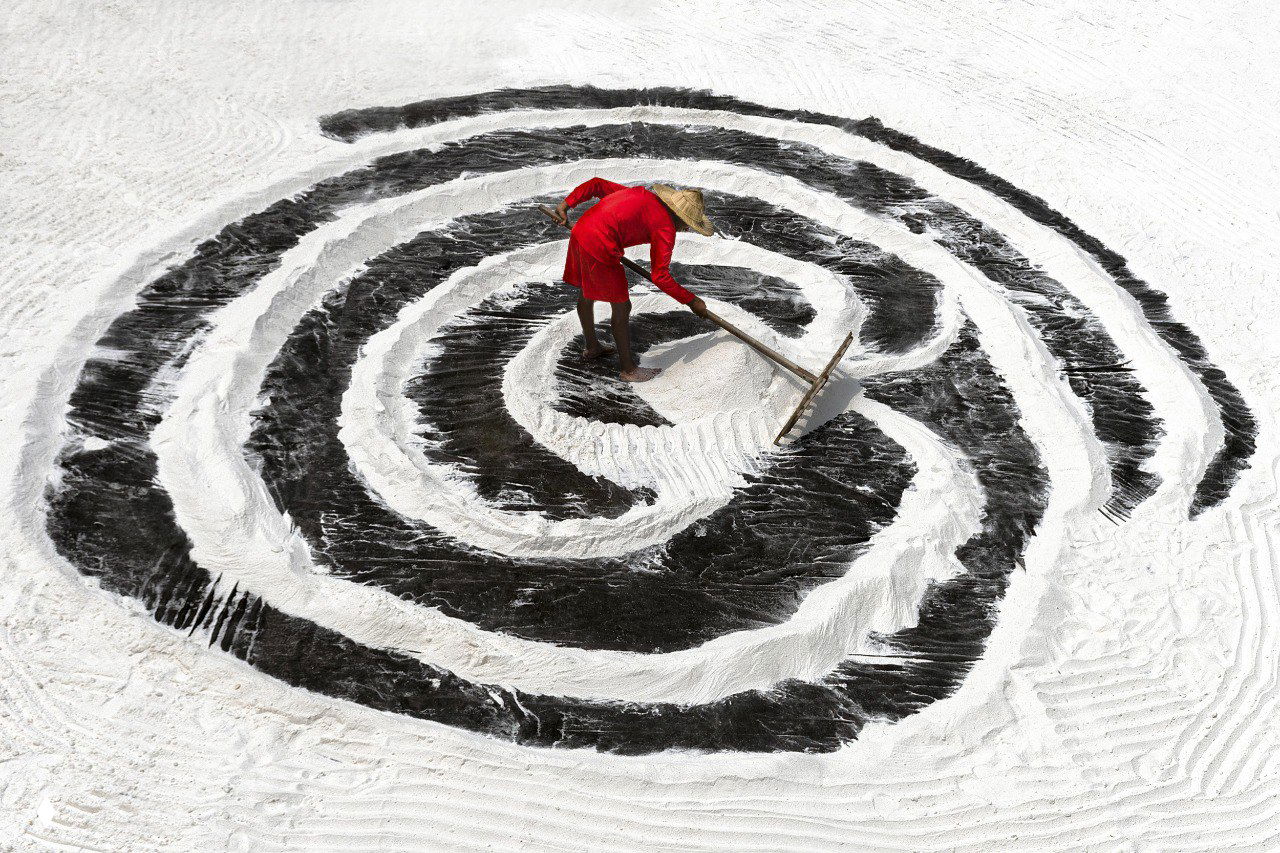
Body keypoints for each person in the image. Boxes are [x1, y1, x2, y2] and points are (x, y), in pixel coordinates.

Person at [550, 178, 714, 382]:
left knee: (587, 291)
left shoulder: (641, 194)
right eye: (688, 224)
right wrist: (691, 300)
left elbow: (596, 184)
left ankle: (592, 347)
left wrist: (566, 204)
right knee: (622, 306)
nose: (688, 229)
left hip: (581, 231)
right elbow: (660, 276)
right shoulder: (665, 228)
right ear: (679, 216)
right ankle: (628, 370)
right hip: (600, 244)